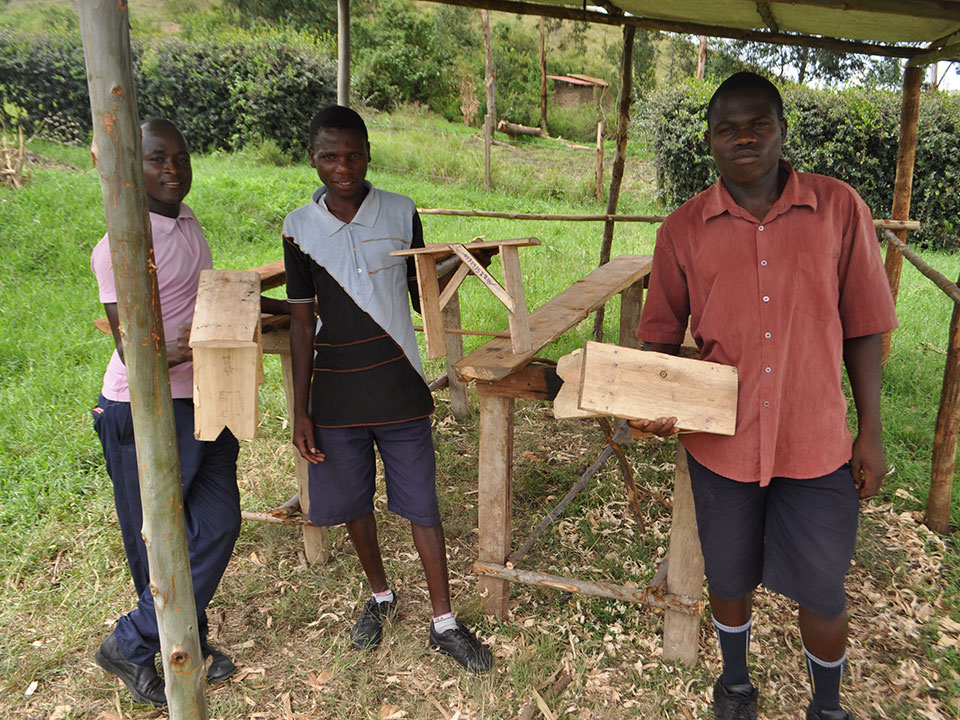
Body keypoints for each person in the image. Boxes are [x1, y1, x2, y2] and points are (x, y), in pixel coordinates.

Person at [631, 72, 897, 720]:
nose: (743, 137)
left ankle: (827, 705)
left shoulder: (839, 209)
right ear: (710, 141)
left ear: (782, 130)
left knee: (824, 590)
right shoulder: (684, 229)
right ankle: (735, 683)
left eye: (757, 124)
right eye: (727, 128)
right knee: (728, 579)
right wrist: (656, 401)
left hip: (816, 442)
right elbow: (661, 336)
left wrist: (871, 432)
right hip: (723, 442)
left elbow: (863, 327)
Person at [283, 105, 493, 674]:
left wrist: (464, 264)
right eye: (329, 156)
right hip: (336, 395)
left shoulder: (401, 212)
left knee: (422, 504)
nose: (342, 166)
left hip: (400, 385)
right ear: (312, 158)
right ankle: (380, 596)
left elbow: (418, 286)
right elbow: (303, 323)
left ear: (368, 153)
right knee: (353, 502)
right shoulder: (298, 227)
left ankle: (444, 621)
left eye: (352, 154)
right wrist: (300, 410)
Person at [91, 118, 287, 706]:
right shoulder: (122, 242)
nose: (172, 168)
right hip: (145, 409)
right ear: (132, 165)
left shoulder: (186, 221)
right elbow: (133, 346)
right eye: (157, 159)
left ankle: (151, 634)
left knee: (220, 522)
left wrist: (277, 307)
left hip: (203, 397)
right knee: (155, 538)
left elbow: (201, 297)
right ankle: (148, 644)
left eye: (180, 156)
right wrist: (180, 344)